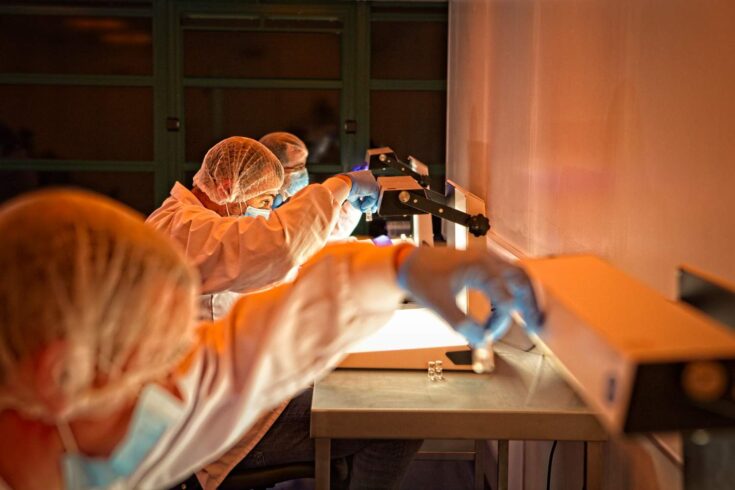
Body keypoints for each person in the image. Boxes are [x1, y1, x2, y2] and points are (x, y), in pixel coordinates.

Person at [0, 189, 541, 490]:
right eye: (154, 376)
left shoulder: (82, 426)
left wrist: (400, 268)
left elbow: (243, 356)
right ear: (57, 377)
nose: (177, 390)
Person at [146, 136, 379, 321]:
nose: (266, 212)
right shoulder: (185, 225)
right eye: (265, 201)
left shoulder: (196, 220)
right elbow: (278, 245)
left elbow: (288, 250)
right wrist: (341, 186)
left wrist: (345, 208)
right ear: (228, 189)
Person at [259, 131, 363, 241]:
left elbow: (324, 230)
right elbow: (308, 238)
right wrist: (346, 183)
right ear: (273, 170)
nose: (303, 173)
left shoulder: (285, 203)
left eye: (304, 166)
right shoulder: (252, 211)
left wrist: (353, 206)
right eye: (298, 167)